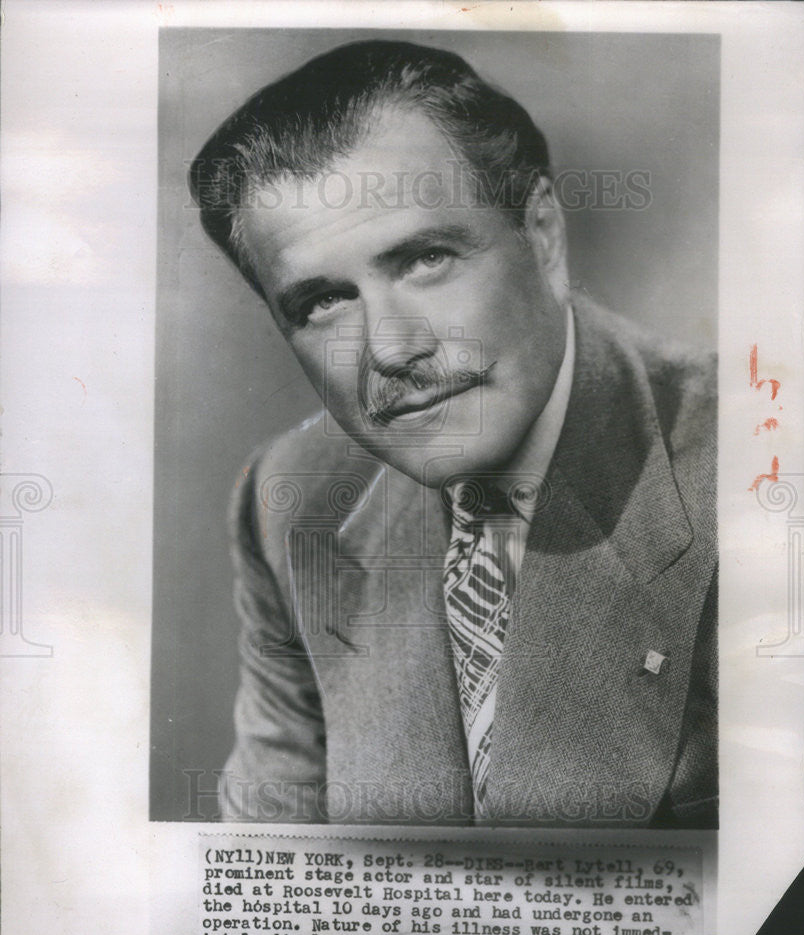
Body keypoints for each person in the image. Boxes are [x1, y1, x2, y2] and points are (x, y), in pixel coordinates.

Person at [189, 39, 717, 828]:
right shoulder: (292, 504)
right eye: (322, 304)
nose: (391, 350)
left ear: (541, 235)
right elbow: (268, 869)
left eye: (426, 258)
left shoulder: (756, 474)